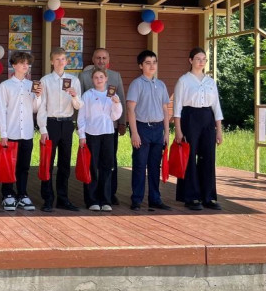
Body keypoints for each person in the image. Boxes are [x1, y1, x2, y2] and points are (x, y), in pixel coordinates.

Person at [173, 47, 224, 211]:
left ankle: (208, 196)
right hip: (190, 118)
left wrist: (219, 130)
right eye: (198, 59)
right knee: (189, 156)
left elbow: (216, 106)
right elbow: (177, 107)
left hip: (207, 118)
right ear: (190, 60)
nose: (201, 62)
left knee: (208, 157)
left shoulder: (210, 81)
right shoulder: (183, 80)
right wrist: (178, 130)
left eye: (204, 59)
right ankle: (191, 197)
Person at [37, 47, 83, 212]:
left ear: (66, 61)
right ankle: (48, 199)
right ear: (51, 61)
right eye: (57, 59)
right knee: (47, 162)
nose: (60, 62)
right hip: (51, 123)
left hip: (67, 123)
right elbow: (42, 106)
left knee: (64, 163)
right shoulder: (45, 80)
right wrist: (43, 129)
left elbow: (79, 106)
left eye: (63, 59)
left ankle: (63, 199)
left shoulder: (74, 80)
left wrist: (74, 96)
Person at [80, 48, 127, 205]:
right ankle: (92, 197)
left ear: (108, 60)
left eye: (104, 58)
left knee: (110, 161)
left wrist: (122, 122)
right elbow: (80, 104)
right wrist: (80, 129)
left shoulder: (115, 75)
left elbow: (121, 99)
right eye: (98, 58)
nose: (101, 60)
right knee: (92, 163)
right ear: (93, 59)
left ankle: (109, 195)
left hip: (110, 127)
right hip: (91, 127)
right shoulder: (84, 76)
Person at [126, 50, 171, 212]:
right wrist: (134, 133)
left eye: (154, 62)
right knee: (139, 165)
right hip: (142, 128)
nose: (152, 66)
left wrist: (167, 133)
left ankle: (155, 199)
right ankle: (137, 199)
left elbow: (165, 109)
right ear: (140, 65)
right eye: (148, 63)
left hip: (158, 129)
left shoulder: (161, 84)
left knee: (154, 166)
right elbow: (130, 109)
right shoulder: (136, 84)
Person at [0, 51, 41, 211]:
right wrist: (3, 133)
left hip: (27, 132)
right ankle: (7, 194)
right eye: (22, 63)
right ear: (14, 65)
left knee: (24, 166)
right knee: (9, 165)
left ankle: (22, 194)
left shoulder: (32, 85)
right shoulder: (5, 85)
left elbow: (35, 109)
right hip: (11, 132)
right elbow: (1, 110)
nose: (25, 66)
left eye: (27, 63)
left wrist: (38, 96)